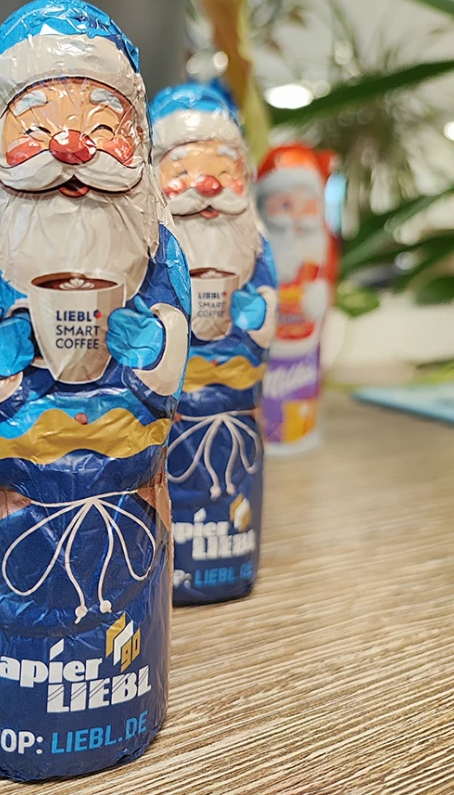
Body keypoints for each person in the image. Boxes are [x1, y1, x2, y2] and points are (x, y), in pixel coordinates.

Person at [0, 0, 191, 780]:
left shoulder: (150, 223)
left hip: (127, 486)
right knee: (6, 624)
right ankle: (9, 720)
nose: (72, 147)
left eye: (103, 127)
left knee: (123, 622)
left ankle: (124, 707)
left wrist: (155, 347)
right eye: (37, 126)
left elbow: (176, 332)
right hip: (5, 494)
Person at [150, 82, 277, 604]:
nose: (205, 185)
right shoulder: (148, 243)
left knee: (230, 506)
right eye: (181, 172)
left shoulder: (253, 243)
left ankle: (226, 564)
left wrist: (258, 317)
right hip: (171, 418)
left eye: (223, 170)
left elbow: (267, 305)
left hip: (234, 411)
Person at [254, 143, 336, 451]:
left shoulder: (320, 247)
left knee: (301, 396)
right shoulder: (257, 246)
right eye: (285, 205)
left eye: (308, 206)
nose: (298, 218)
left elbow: (327, 278)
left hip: (305, 352)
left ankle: (300, 433)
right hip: (268, 352)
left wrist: (322, 293)